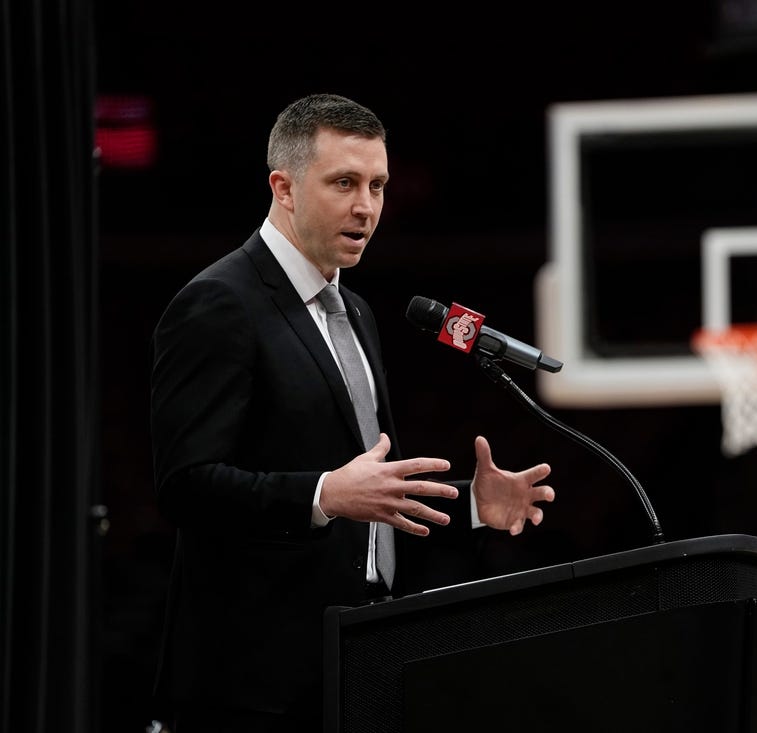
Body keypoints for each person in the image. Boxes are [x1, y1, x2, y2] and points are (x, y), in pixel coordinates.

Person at [149, 93, 555, 732]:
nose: (366, 206)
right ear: (283, 187)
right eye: (344, 183)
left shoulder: (356, 314)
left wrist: (472, 504)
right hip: (253, 688)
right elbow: (185, 486)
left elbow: (370, 499)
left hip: (361, 664)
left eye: (378, 185)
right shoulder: (218, 304)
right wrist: (321, 495)